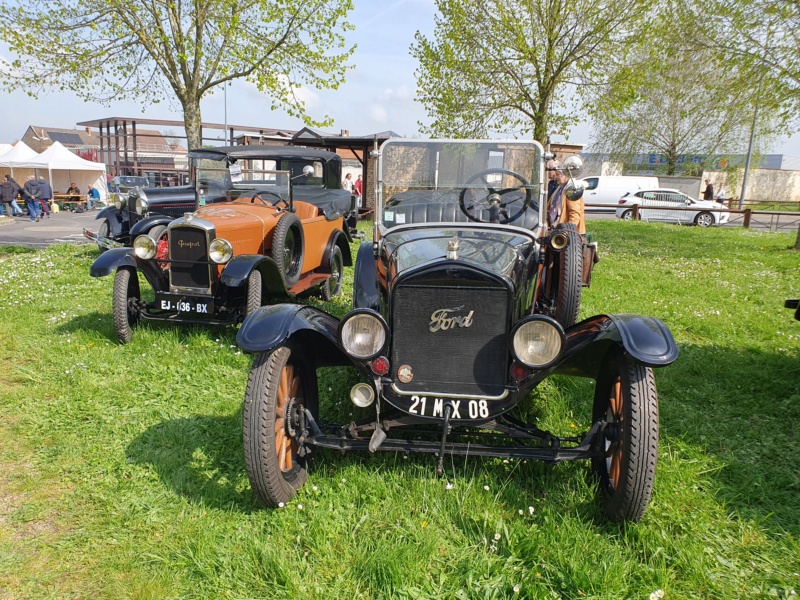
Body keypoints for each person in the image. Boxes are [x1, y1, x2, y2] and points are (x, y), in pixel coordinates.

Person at [547, 161, 585, 234]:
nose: (556, 177)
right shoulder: (560, 188)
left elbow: (574, 214)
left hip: (566, 232)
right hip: (556, 228)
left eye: (558, 175)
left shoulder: (572, 189)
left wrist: (568, 233)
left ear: (565, 175)